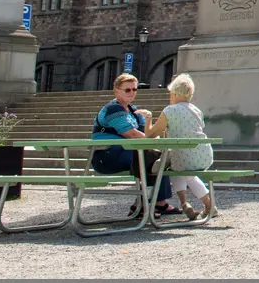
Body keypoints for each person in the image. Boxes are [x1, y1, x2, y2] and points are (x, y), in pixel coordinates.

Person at [90, 73, 180, 218]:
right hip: (107, 156)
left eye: (134, 89)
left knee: (158, 157)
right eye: (127, 90)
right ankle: (142, 204)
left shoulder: (134, 110)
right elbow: (131, 134)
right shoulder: (113, 109)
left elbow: (148, 132)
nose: (132, 92)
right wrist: (157, 143)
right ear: (117, 90)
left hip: (126, 152)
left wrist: (157, 142)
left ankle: (158, 202)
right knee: (151, 157)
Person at [145, 73, 215, 219]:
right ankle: (185, 204)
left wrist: (148, 118)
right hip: (203, 153)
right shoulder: (196, 110)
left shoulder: (170, 110)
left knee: (180, 170)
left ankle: (208, 206)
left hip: (184, 155)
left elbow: (150, 134)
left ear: (175, 93)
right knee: (177, 169)